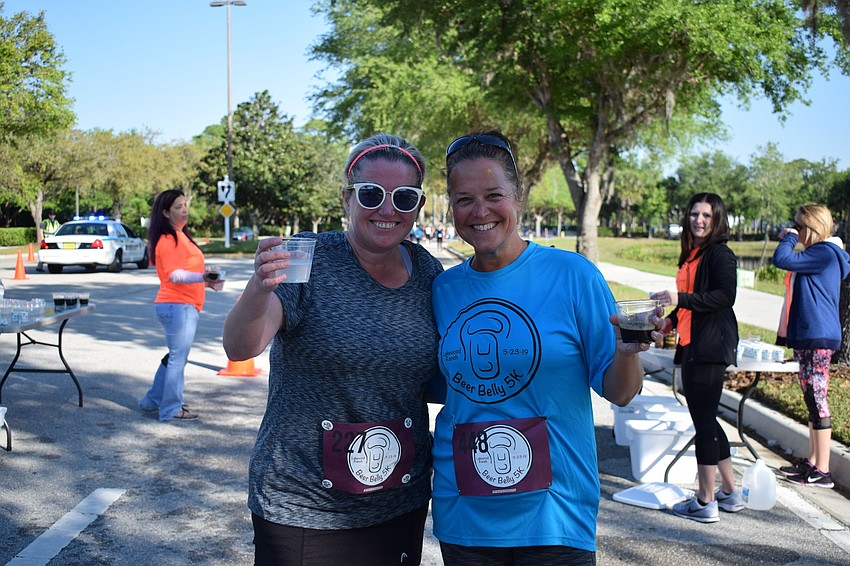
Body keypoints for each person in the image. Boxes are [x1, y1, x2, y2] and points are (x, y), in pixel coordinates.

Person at [431, 130, 659, 564]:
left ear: (518, 197)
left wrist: (628, 352)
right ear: (451, 207)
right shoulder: (443, 289)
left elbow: (622, 393)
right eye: (464, 200)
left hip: (556, 515)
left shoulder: (574, 275)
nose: (480, 211)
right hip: (464, 514)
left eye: (494, 195)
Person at [222, 134, 443, 566]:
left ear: (418, 206)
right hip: (304, 505)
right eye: (371, 194)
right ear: (347, 198)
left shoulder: (427, 271)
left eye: (404, 197)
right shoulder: (307, 257)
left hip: (399, 502)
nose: (387, 209)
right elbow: (241, 345)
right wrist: (259, 287)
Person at [650, 192, 741, 523]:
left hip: (710, 346)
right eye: (694, 214)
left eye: (706, 215)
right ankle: (729, 492)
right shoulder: (693, 254)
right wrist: (670, 321)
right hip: (693, 343)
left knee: (703, 422)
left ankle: (705, 501)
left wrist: (680, 298)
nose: (698, 220)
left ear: (717, 220)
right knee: (709, 419)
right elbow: (691, 300)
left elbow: (725, 296)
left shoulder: (720, 254)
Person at [772, 204, 850, 488]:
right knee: (811, 398)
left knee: (818, 398)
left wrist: (790, 237)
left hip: (818, 336)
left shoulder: (824, 253)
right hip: (810, 335)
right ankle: (813, 462)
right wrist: (795, 236)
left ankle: (823, 470)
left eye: (800, 226)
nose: (796, 230)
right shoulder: (818, 254)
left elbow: (781, 258)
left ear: (813, 228)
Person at [139, 189, 221, 422]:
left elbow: (186, 271)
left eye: (185, 205)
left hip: (182, 305)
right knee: (178, 358)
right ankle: (171, 409)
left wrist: (205, 281)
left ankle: (151, 401)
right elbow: (174, 275)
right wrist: (202, 277)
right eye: (178, 207)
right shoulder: (168, 239)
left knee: (175, 356)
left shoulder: (181, 236)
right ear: (165, 213)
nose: (184, 210)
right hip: (177, 305)